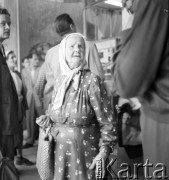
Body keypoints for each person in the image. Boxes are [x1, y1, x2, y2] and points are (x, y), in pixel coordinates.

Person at [36, 33, 117, 180]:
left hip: (86, 155)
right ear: (63, 53)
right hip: (59, 155)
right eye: (72, 46)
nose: (77, 49)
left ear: (85, 52)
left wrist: (104, 152)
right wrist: (48, 119)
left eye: (81, 46)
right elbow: (57, 115)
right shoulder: (60, 81)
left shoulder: (92, 81)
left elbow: (107, 121)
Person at [113, 0, 169, 178]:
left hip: (163, 120)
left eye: (127, 3)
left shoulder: (153, 3)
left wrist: (129, 32)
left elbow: (126, 82)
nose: (128, 8)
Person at [35, 13, 104, 112]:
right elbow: (99, 79)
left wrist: (42, 110)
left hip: (54, 108)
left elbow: (39, 85)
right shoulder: (88, 46)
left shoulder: (50, 53)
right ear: (72, 27)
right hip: (80, 108)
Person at [0, 6, 19, 161]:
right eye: (3, 24)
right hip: (1, 123)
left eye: (9, 23)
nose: (8, 27)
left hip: (5, 121)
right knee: (1, 167)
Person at [6, 50, 34, 166]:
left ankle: (20, 157)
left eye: (15, 57)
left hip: (19, 106)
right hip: (10, 107)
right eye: (11, 58)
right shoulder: (6, 75)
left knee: (20, 132)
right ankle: (11, 161)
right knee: (12, 133)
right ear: (6, 60)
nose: (15, 59)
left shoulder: (17, 73)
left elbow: (23, 90)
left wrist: (23, 106)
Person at [22, 52, 43, 148]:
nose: (37, 61)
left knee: (42, 118)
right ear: (30, 60)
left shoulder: (41, 70)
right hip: (29, 98)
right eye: (35, 59)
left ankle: (43, 140)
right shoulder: (24, 71)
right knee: (29, 119)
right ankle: (30, 140)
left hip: (39, 98)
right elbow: (23, 87)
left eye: (38, 59)